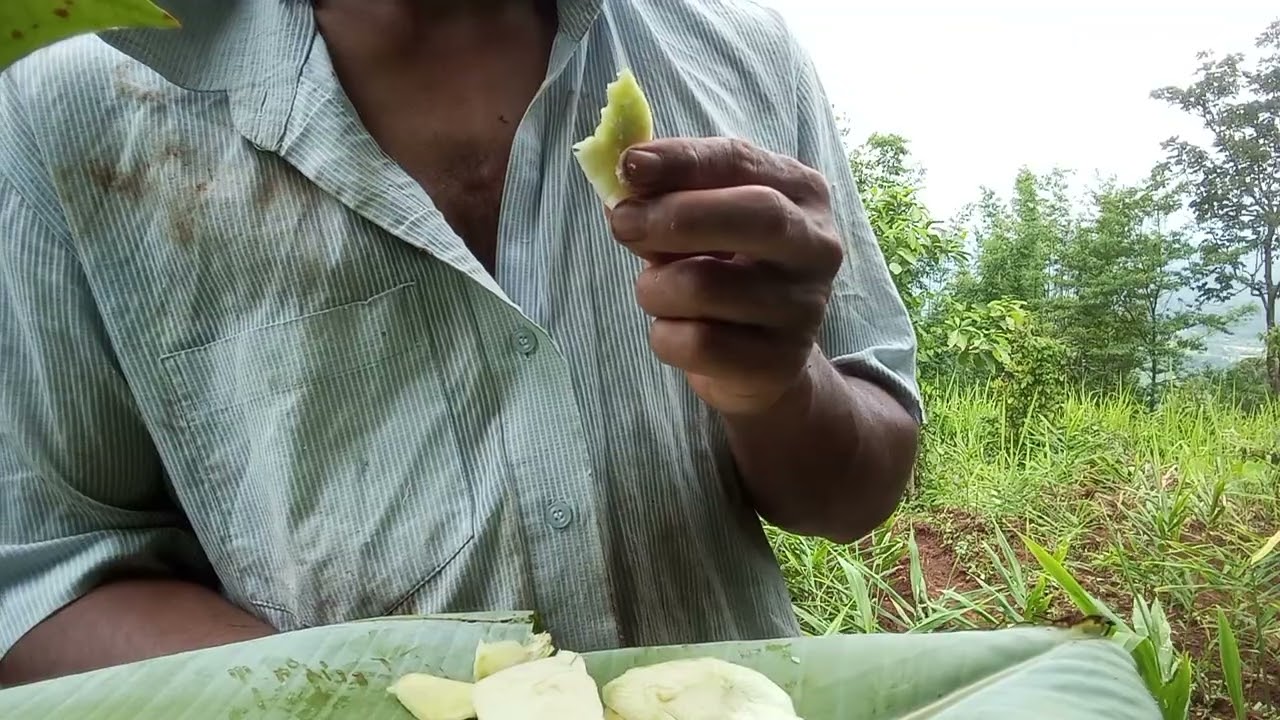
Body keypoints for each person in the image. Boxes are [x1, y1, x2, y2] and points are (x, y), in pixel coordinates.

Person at [0, 0, 921, 686]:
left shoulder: (739, 55)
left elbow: (857, 487)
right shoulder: (65, 107)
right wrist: (379, 699)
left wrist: (780, 387)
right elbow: (46, 586)